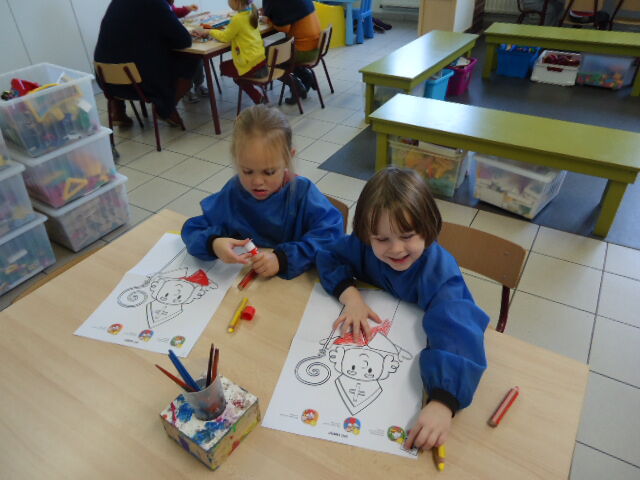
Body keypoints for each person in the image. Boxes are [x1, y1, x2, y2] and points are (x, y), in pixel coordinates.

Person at [315, 167, 489, 451]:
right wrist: (351, 295)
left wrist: (443, 402)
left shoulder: (440, 272)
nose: (396, 249)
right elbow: (328, 256)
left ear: (428, 228)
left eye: (407, 235)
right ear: (367, 234)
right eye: (382, 239)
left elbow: (459, 333)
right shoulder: (362, 246)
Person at [181, 105, 344, 280]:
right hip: (245, 281)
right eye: (247, 171)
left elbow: (331, 235)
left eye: (269, 172)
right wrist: (213, 243)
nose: (257, 182)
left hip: (292, 284)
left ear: (288, 158)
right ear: (236, 159)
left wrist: (282, 259)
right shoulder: (234, 191)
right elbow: (193, 229)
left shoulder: (302, 193)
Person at [94, 0, 199, 127]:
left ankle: (118, 110)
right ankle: (165, 108)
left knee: (120, 53)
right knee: (191, 58)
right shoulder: (156, 3)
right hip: (138, 81)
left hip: (106, 78)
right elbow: (184, 41)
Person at [195, 0, 266, 105]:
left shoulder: (237, 19)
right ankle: (258, 96)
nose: (228, 3)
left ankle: (257, 97)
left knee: (223, 67)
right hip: (260, 60)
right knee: (236, 75)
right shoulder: (252, 12)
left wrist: (209, 31)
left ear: (237, 2)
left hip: (249, 64)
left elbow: (225, 37)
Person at [262, 0, 321, 104]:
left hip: (304, 51)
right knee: (278, 53)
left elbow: (284, 28)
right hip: (315, 46)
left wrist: (268, 20)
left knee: (267, 57)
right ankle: (306, 77)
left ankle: (296, 87)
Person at [167, 0, 209, 102]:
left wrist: (187, 9)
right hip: (167, 47)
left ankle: (198, 84)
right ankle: (185, 90)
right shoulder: (157, 5)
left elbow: (174, 11)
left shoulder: (167, 4)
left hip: (176, 38)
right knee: (184, 59)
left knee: (196, 56)